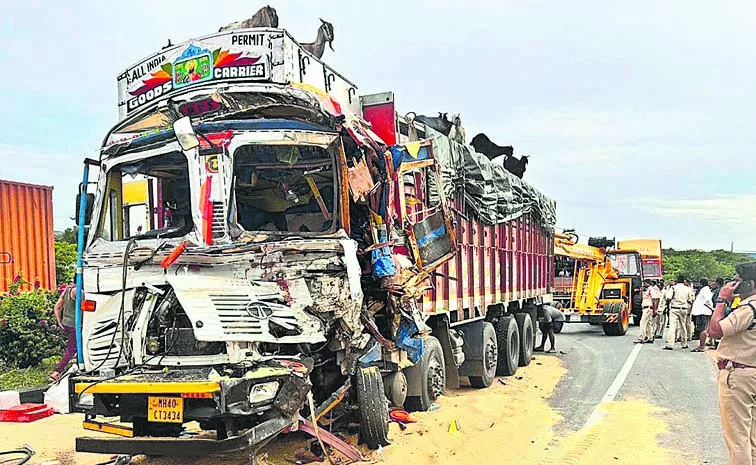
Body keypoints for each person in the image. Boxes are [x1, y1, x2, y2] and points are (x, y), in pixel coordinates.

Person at [707, 262, 756, 464]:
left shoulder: (749, 307)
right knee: (752, 439)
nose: (734, 284)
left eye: (738, 280)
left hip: (739, 375)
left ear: (750, 284)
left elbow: (716, 330)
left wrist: (721, 299)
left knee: (737, 439)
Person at [51, 283, 77, 381]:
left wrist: (59, 322)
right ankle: (57, 372)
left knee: (77, 347)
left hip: (66, 324)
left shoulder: (67, 290)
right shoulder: (78, 291)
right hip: (75, 325)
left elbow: (57, 307)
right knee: (71, 349)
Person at [663, 275, 695, 350]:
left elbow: (668, 297)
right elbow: (691, 299)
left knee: (672, 326)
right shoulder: (688, 289)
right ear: (684, 281)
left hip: (674, 308)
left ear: (676, 281)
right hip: (684, 308)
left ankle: (670, 344)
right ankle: (684, 343)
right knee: (683, 325)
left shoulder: (673, 288)